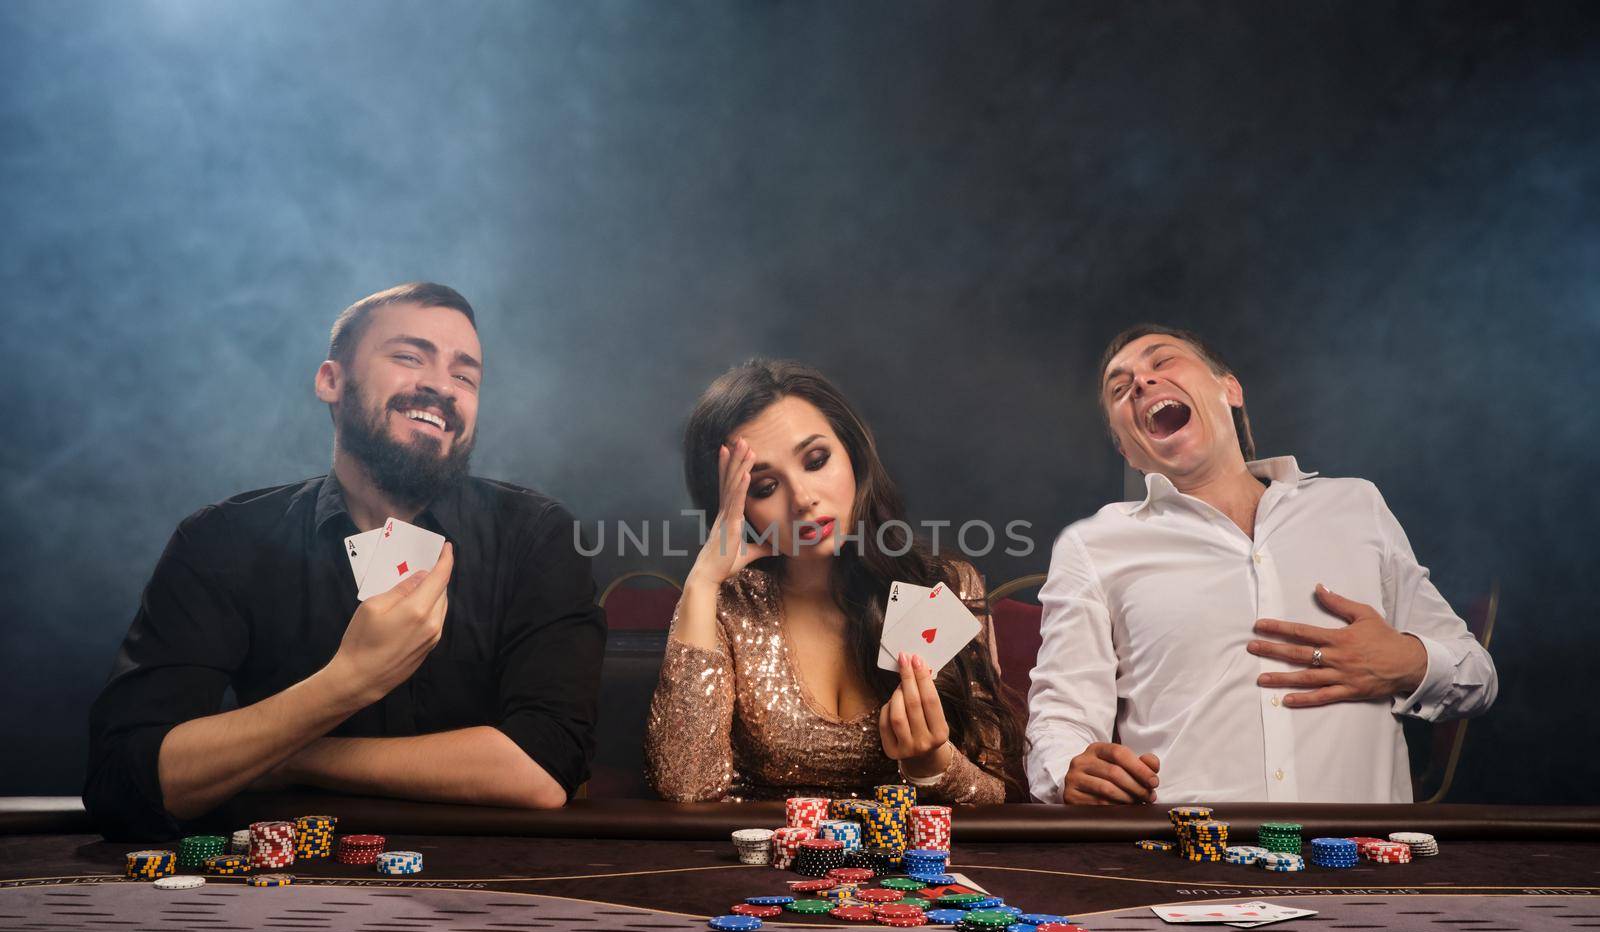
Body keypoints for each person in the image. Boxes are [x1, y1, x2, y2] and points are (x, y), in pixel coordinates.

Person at [84, 282, 605, 839]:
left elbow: (542, 768)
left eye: (465, 376)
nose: (440, 386)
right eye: (409, 357)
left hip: (490, 891)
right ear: (331, 380)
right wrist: (346, 682)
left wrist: (289, 757)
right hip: (283, 896)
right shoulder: (222, 540)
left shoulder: (536, 536)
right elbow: (126, 778)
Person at [1026, 325, 1497, 805]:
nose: (1141, 383)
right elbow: (1061, 716)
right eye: (1120, 388)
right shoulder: (1094, 544)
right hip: (1182, 865)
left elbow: (1477, 675)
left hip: (1362, 863)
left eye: (1162, 362)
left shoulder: (1355, 505)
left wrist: (1405, 661)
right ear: (1127, 450)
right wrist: (1067, 770)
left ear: (1229, 388)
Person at [645, 360, 1025, 804]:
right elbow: (684, 786)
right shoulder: (724, 601)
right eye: (765, 487)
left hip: (902, 867)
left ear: (853, 455)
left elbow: (994, 795)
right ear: (736, 507)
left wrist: (932, 766)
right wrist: (701, 581)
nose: (804, 499)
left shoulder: (943, 586)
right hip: (753, 865)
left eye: (816, 460)